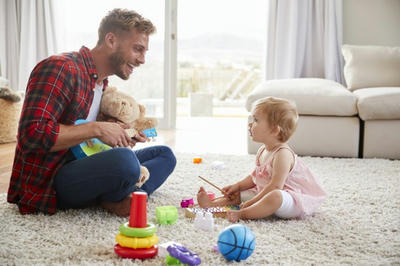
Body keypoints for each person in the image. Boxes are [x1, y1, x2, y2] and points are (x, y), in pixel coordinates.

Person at [7, 8, 176, 216]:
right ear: (111, 40)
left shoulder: (101, 83)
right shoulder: (61, 68)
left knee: (164, 155)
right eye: (137, 49)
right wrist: (97, 128)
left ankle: (124, 197)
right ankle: (123, 195)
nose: (142, 60)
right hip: (53, 179)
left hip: (83, 164)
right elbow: (31, 135)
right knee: (124, 161)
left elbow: (85, 140)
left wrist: (119, 134)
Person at [197, 97, 326, 222]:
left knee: (275, 196)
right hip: (266, 194)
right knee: (239, 195)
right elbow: (255, 176)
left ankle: (243, 214)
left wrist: (252, 202)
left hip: (289, 200)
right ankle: (211, 204)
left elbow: (276, 186)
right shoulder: (263, 150)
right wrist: (237, 186)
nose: (250, 123)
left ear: (274, 130)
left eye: (256, 120)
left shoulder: (282, 155)